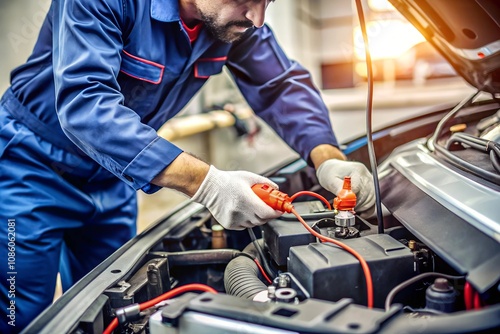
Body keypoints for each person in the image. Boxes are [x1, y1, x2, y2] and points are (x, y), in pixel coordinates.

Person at [0, 0, 375, 332]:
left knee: (114, 311)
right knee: (20, 312)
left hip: (114, 177)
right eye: (247, 0)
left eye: (267, 1)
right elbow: (85, 104)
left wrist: (329, 160)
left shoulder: (233, 20)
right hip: (32, 169)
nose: (258, 19)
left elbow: (280, 87)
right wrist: (208, 184)